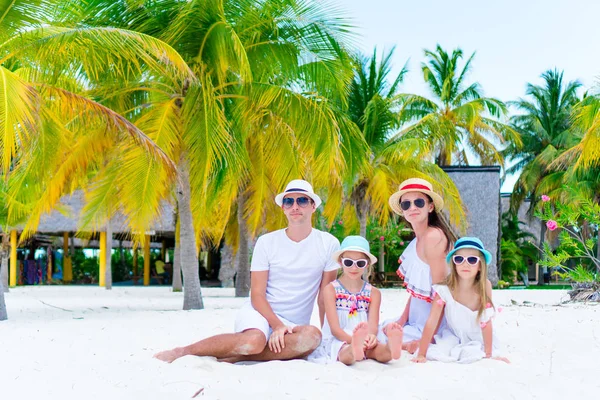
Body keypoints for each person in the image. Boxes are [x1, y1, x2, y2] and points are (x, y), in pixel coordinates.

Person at [154, 179, 340, 363]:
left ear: (313, 206)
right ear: (283, 207)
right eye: (289, 201)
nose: (295, 206)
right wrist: (276, 326)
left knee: (312, 337)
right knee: (254, 342)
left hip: (293, 325)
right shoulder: (267, 242)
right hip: (259, 313)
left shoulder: (328, 243)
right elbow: (257, 295)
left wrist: (328, 337)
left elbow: (325, 297)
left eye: (302, 200)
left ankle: (235, 358)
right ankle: (183, 352)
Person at [379, 178, 457, 352]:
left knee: (381, 340)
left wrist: (426, 340)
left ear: (430, 207)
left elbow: (442, 294)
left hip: (434, 324)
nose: (412, 208)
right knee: (380, 331)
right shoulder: (416, 241)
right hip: (417, 318)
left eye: (419, 202)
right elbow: (417, 291)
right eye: (406, 204)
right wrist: (401, 320)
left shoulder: (433, 237)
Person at [412, 237, 509, 364]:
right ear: (454, 264)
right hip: (453, 335)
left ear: (480, 266)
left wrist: (489, 354)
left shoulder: (484, 286)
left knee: (474, 353)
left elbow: (486, 320)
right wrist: (421, 354)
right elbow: (432, 321)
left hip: (478, 336)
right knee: (440, 350)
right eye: (459, 259)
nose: (465, 264)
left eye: (472, 259)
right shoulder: (444, 290)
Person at [308, 236, 403, 365]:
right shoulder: (330, 290)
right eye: (348, 262)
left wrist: (371, 336)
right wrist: (353, 340)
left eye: (360, 263)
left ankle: (391, 348)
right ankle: (354, 348)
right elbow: (335, 329)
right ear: (341, 262)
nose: (354, 268)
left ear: (367, 264)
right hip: (341, 338)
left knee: (379, 352)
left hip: (365, 338)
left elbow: (373, 325)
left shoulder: (374, 293)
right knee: (344, 354)